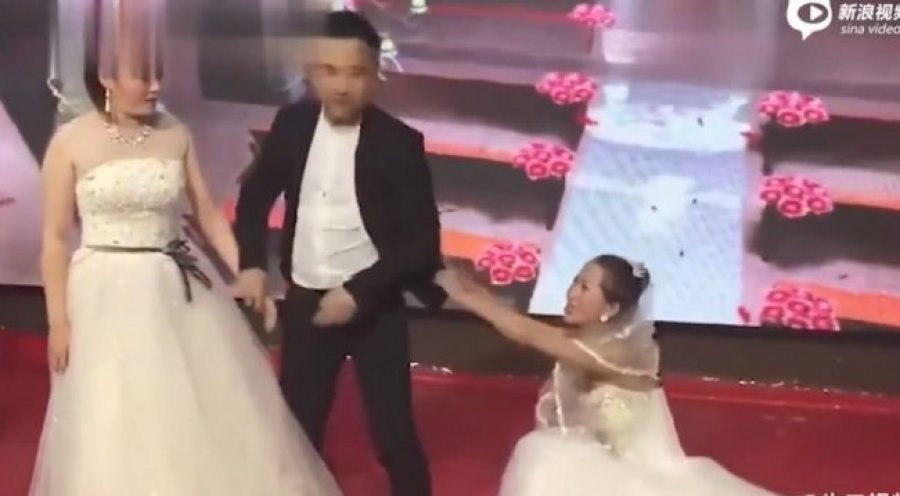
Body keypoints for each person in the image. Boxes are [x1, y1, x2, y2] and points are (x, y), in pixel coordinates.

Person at [30, 2, 341, 494]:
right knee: (111, 410)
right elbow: (53, 239)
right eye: (143, 76)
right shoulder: (70, 142)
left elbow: (208, 215)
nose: (156, 86)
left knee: (197, 404)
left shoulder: (175, 132)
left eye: (159, 74)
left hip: (175, 284)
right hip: (100, 292)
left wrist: (247, 271)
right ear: (106, 76)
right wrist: (58, 321)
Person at [233, 11, 441, 496]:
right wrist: (252, 265)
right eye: (329, 71)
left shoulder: (399, 143)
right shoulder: (292, 125)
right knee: (297, 432)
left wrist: (358, 291)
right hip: (307, 301)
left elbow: (422, 243)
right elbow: (256, 196)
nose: (342, 86)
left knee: (394, 438)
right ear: (311, 72)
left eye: (355, 72)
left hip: (375, 305)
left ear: (375, 74)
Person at [435, 256, 781, 496]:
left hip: (635, 476)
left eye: (585, 288)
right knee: (549, 454)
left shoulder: (619, 353)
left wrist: (462, 293)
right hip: (597, 464)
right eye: (575, 282)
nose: (572, 293)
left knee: (543, 456)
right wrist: (449, 277)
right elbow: (512, 318)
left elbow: (523, 330)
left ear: (611, 308)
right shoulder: (584, 338)